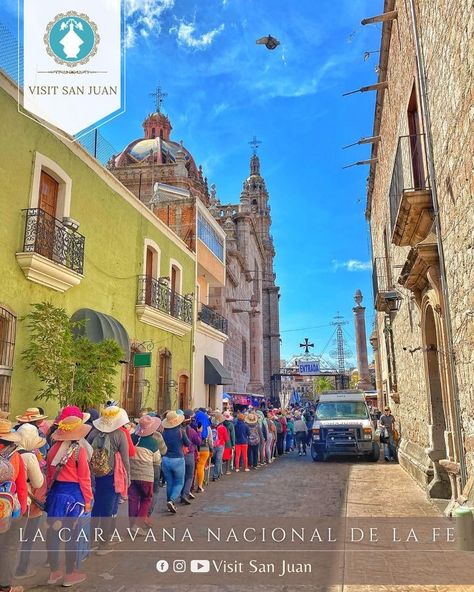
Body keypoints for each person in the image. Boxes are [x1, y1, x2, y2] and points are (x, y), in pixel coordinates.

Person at [45, 415, 93, 587]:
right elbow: (84, 478)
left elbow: (49, 476)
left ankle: (54, 572)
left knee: (53, 534)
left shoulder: (52, 451)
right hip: (74, 498)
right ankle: (70, 574)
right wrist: (88, 500)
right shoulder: (79, 451)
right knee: (72, 536)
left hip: (56, 496)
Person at [87, 405, 130, 555]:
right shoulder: (120, 435)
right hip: (111, 476)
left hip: (94, 476)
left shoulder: (93, 433)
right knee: (107, 509)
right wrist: (127, 478)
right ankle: (103, 544)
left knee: (96, 508)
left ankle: (91, 540)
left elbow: (87, 455)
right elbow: (125, 459)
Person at [15, 424, 46, 580]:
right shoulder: (29, 456)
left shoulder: (9, 452)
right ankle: (22, 568)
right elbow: (38, 482)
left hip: (8, 500)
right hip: (26, 501)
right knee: (27, 536)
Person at [0, 418, 28, 592]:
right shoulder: (15, 456)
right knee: (9, 548)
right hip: (9, 510)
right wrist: (23, 509)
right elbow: (22, 486)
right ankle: (5, 587)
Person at [129, 414, 165, 532]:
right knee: (146, 498)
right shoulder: (153, 442)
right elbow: (157, 460)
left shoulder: (131, 438)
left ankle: (132, 524)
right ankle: (138, 525)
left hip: (132, 474)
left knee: (133, 499)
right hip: (146, 476)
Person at [161, 411, 190, 513]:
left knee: (170, 483)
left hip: (165, 459)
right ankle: (172, 500)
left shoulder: (163, 433)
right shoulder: (181, 431)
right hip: (178, 459)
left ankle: (169, 500)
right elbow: (188, 443)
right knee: (179, 482)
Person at [180, 410, 201, 504]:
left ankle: (180, 494)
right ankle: (185, 494)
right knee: (189, 476)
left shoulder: (178, 430)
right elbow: (199, 442)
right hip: (189, 455)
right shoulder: (192, 431)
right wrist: (199, 432)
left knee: (181, 476)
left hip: (180, 455)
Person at [193, 416, 213, 493]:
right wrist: (211, 450)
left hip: (195, 449)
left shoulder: (193, 426)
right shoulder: (207, 428)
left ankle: (192, 485)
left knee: (195, 468)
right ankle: (199, 486)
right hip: (205, 449)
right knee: (201, 467)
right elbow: (210, 440)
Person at [211, 414, 228, 481]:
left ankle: (217, 474)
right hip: (220, 445)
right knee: (218, 460)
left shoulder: (211, 428)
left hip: (212, 445)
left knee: (215, 460)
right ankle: (215, 476)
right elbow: (226, 438)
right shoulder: (223, 428)